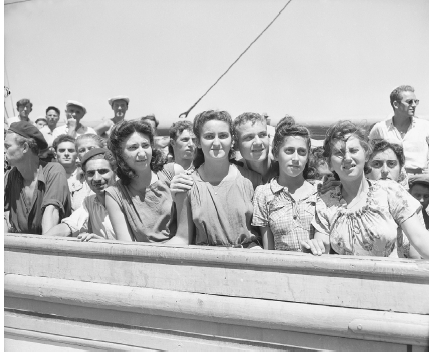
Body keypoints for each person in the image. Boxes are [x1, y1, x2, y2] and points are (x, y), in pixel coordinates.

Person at [303, 120, 429, 259]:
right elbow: (323, 245)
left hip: (390, 278)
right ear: (330, 163)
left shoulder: (390, 191)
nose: (347, 158)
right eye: (339, 153)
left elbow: (421, 240)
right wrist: (316, 246)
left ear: (366, 155)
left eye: (353, 150)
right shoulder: (326, 201)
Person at [166, 110, 262, 247]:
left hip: (247, 262)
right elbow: (182, 238)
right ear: (198, 142)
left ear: (232, 140)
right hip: (206, 264)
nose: (216, 143)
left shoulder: (253, 180)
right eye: (209, 136)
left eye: (223, 136)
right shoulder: (187, 185)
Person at [105, 120, 176, 242]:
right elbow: (126, 245)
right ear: (119, 153)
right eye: (133, 147)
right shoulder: (114, 195)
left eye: (145, 145)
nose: (142, 153)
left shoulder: (173, 173)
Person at [252, 122, 318, 251]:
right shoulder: (264, 193)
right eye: (289, 151)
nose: (295, 158)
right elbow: (268, 250)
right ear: (276, 154)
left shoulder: (319, 191)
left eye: (302, 152)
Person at [4, 121, 71, 234]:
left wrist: (42, 248)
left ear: (25, 147)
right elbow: (5, 217)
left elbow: (51, 211)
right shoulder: (10, 175)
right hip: (19, 246)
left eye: (7, 146)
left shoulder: (54, 171)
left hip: (49, 246)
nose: (3, 150)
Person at [44, 148, 117, 241]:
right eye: (91, 173)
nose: (97, 178)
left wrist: (102, 242)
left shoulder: (129, 199)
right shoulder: (89, 202)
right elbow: (68, 227)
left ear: (115, 172)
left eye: (103, 171)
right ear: (85, 177)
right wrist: (40, 242)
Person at [369, 85, 429, 174]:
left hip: (419, 181)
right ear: (396, 104)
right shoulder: (380, 128)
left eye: (415, 101)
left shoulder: (425, 126)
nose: (414, 105)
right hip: (391, 179)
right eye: (409, 102)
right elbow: (369, 155)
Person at [233, 112, 278, 183]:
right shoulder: (233, 176)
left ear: (269, 138)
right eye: (249, 137)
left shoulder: (283, 170)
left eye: (262, 135)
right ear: (236, 145)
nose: (258, 142)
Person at [69, 134, 105, 211]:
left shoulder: (113, 176)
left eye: (91, 148)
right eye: (82, 150)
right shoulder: (73, 181)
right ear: (77, 155)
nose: (87, 153)